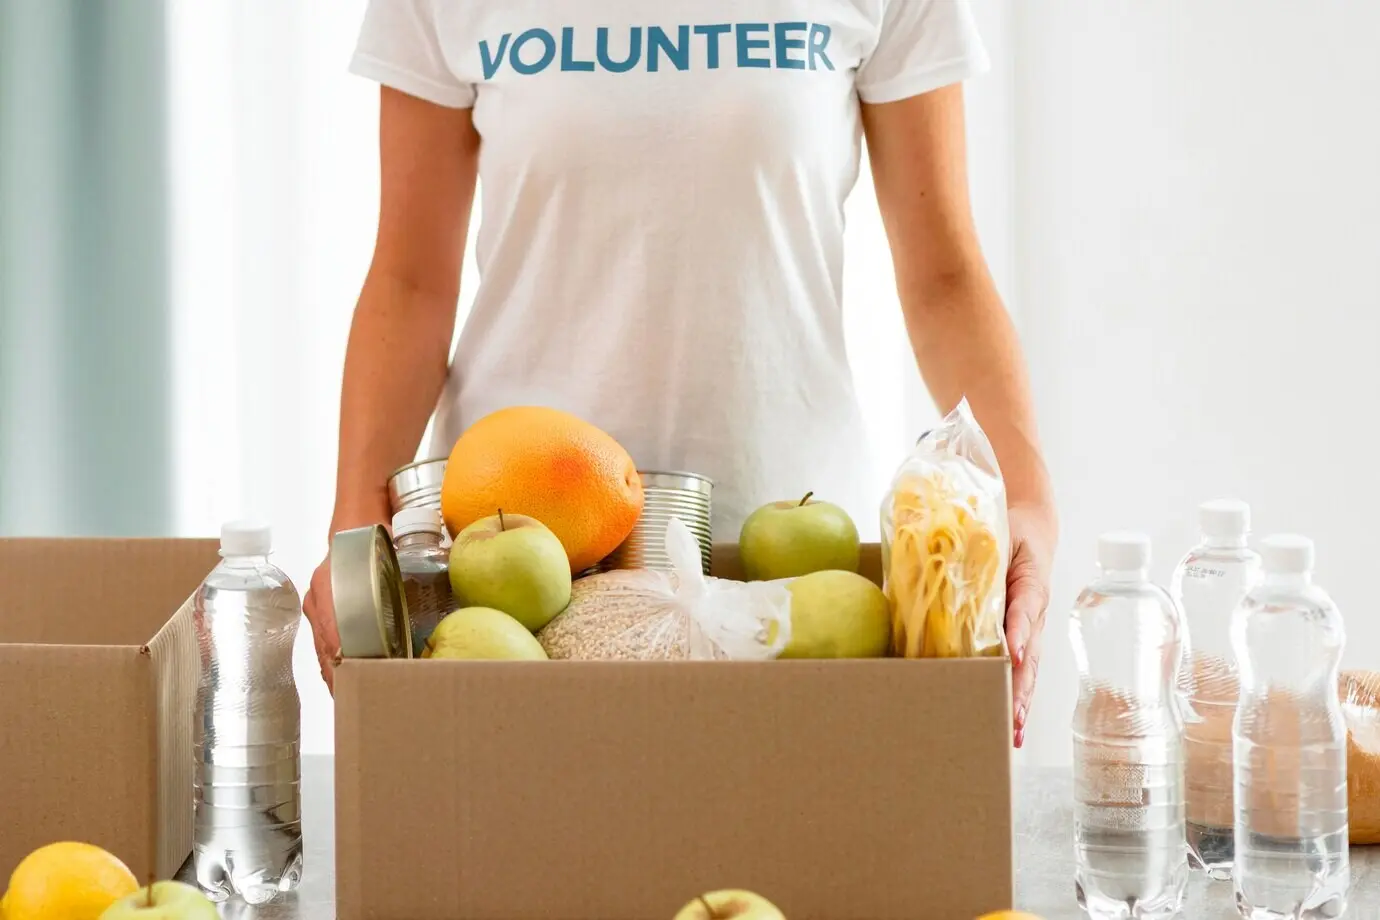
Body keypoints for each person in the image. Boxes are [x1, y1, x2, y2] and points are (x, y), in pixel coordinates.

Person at [304, 0, 1057, 747]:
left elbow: (943, 276)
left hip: (793, 568)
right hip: (517, 568)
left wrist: (1026, 501)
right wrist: (356, 521)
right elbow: (411, 281)